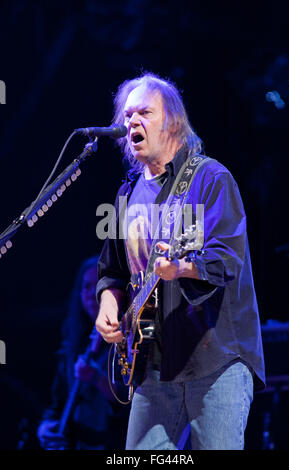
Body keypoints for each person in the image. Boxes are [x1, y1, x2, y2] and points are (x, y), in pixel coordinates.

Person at [95, 72, 265, 450]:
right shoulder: (127, 193)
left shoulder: (211, 179)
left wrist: (183, 268)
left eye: (144, 113)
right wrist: (109, 307)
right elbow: (111, 272)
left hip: (214, 360)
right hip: (152, 366)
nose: (132, 122)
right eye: (126, 116)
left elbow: (226, 259)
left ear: (172, 121)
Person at [37, 256, 129, 450]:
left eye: (98, 287)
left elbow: (132, 403)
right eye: (86, 287)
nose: (90, 294)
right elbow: (57, 401)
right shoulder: (73, 344)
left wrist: (98, 380)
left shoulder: (128, 339)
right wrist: (45, 427)